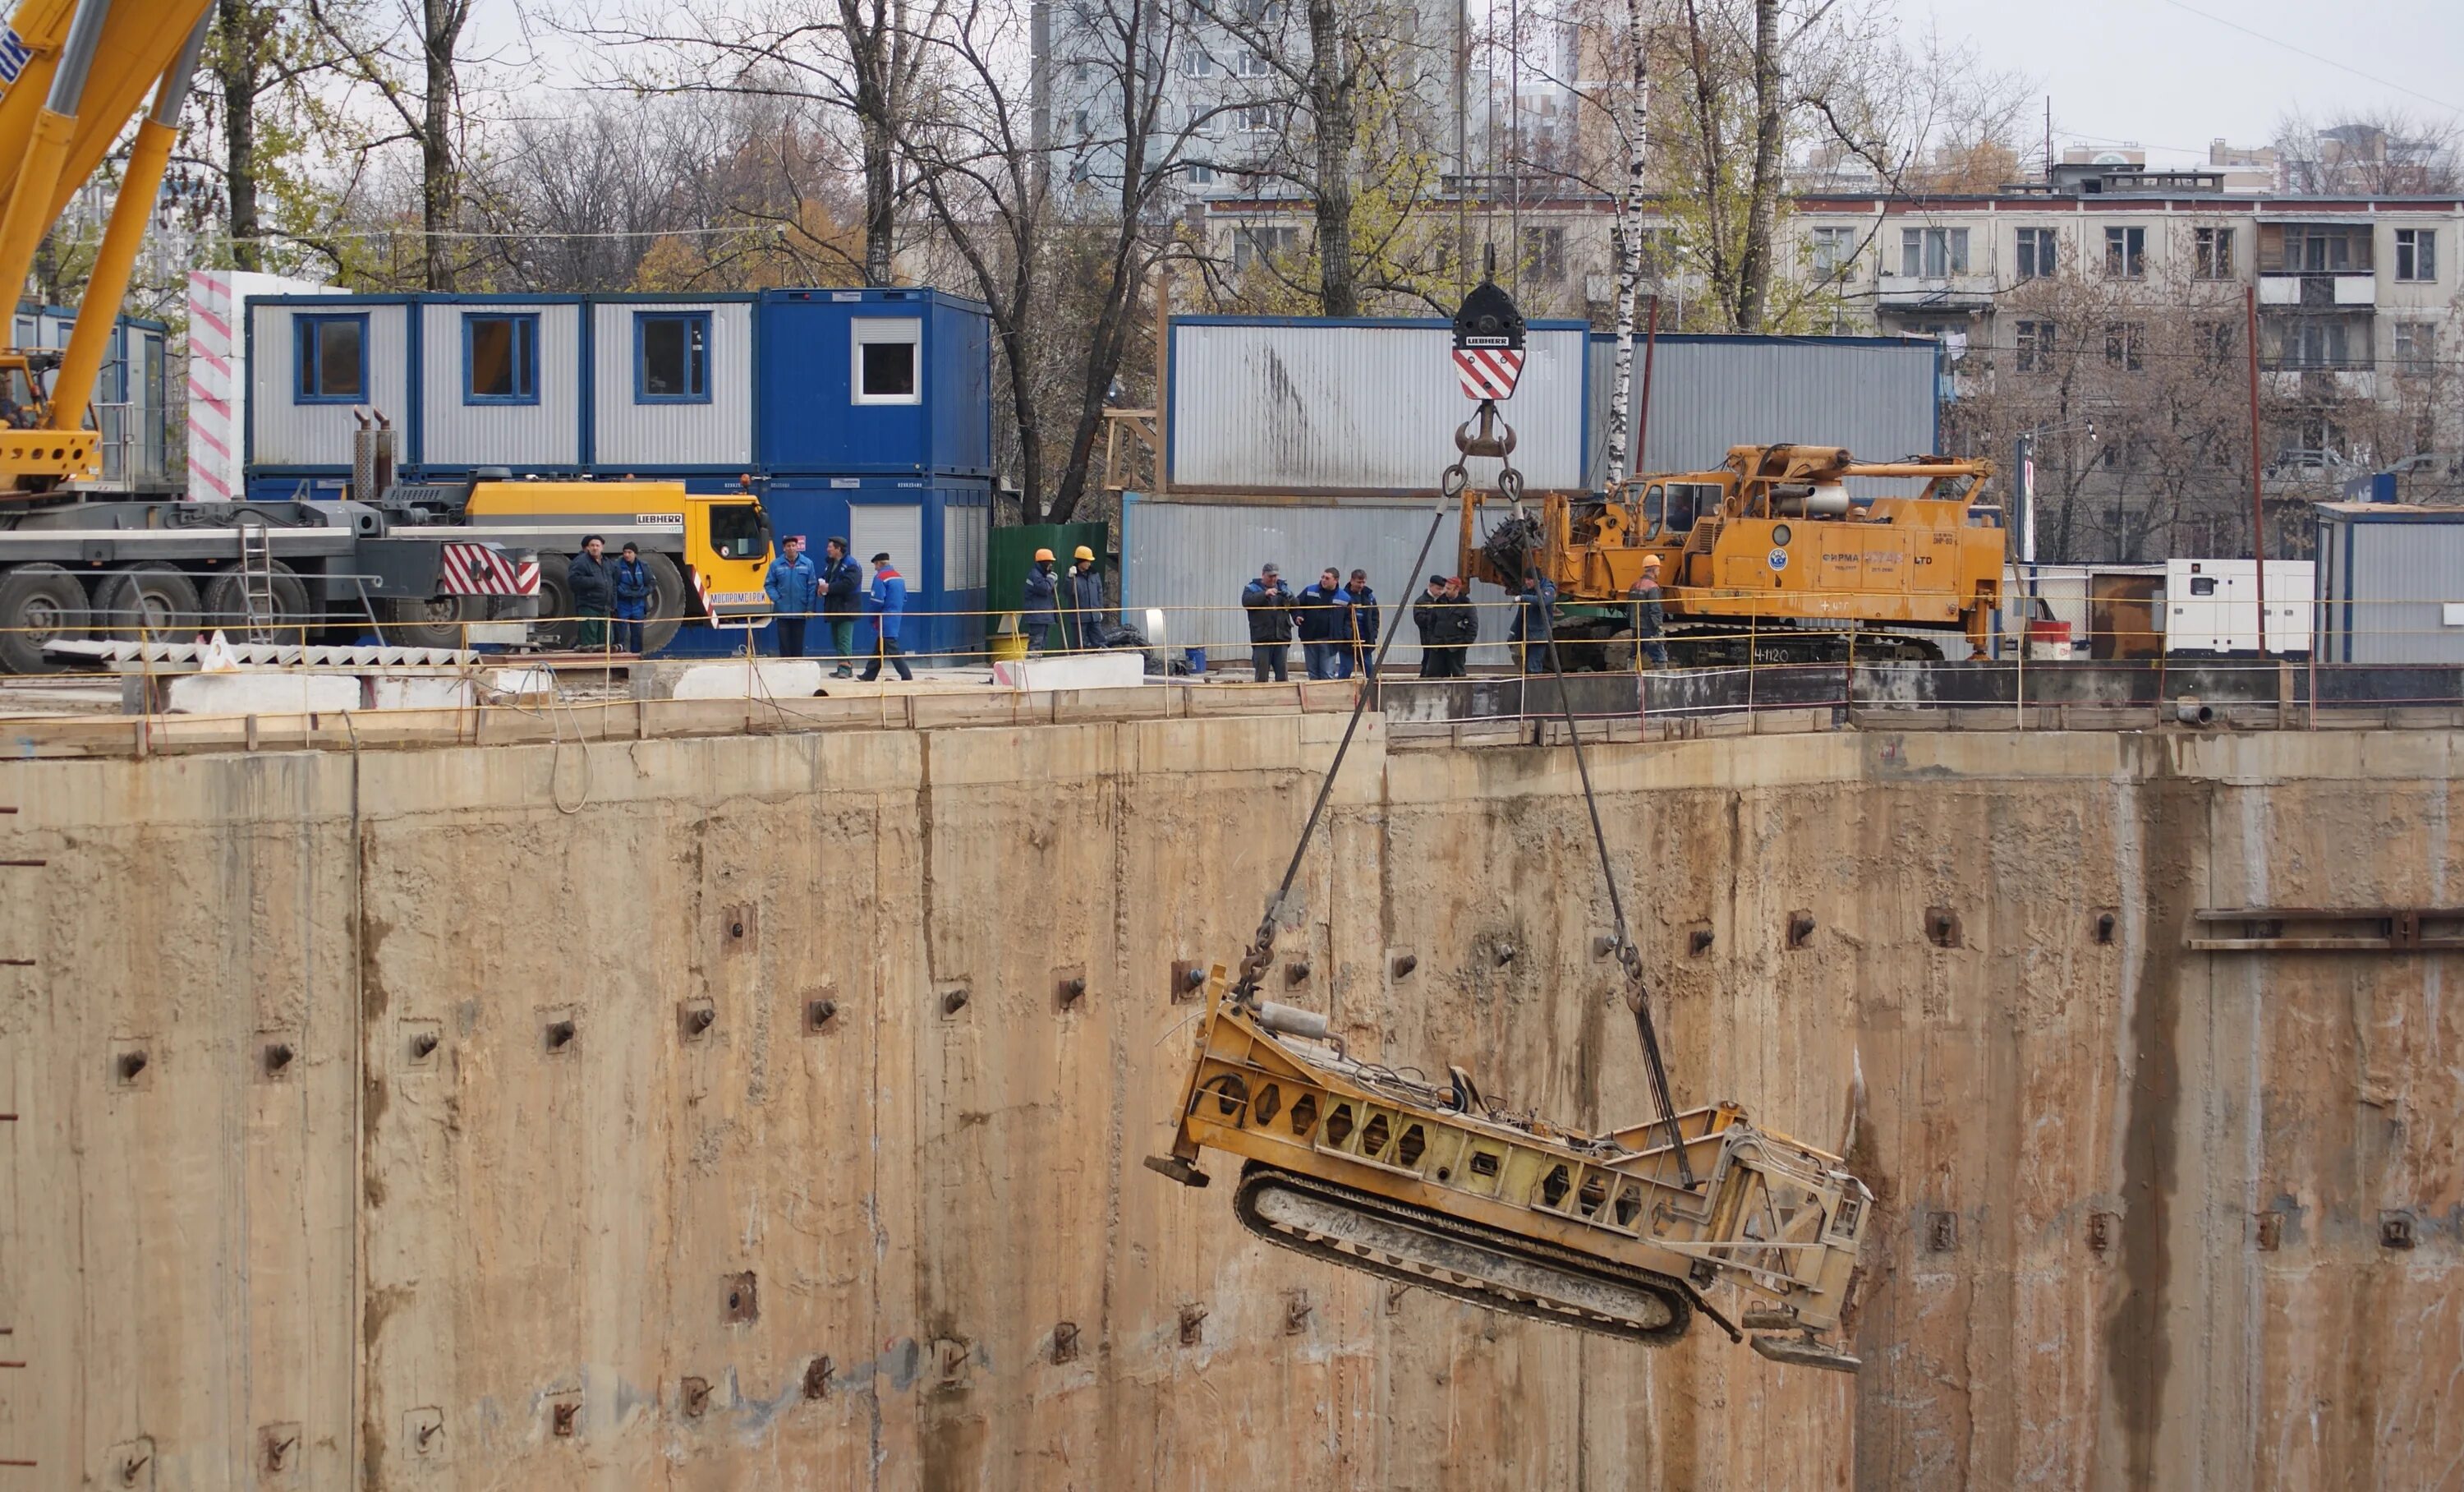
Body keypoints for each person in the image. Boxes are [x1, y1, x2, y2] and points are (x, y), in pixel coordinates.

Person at [861, 550, 914, 681]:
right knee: (880, 647)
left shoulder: (880, 578)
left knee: (892, 647)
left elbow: (877, 601)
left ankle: (906, 675)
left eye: (875, 565)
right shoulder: (899, 577)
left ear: (879, 564)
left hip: (884, 618)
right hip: (896, 616)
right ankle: (869, 675)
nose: (875, 568)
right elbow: (905, 598)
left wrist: (872, 617)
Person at [764, 534, 820, 658]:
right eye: (788, 546)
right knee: (784, 644)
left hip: (800, 611)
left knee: (798, 644)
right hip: (782, 612)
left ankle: (797, 668)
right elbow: (769, 584)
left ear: (797, 547)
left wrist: (810, 608)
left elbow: (812, 587)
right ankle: (785, 668)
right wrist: (778, 600)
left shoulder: (807, 563)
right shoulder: (776, 564)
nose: (791, 548)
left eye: (793, 545)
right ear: (784, 548)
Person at [1296, 567, 1352, 679]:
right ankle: (1314, 697)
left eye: (1327, 578)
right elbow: (1297, 605)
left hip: (1329, 641)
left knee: (1327, 673)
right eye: (1322, 577)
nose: (1323, 580)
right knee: (1312, 673)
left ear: (1336, 580)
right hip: (1310, 638)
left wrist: (1344, 637)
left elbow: (1349, 620)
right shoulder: (1310, 591)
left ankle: (1327, 696)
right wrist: (1298, 616)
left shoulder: (1344, 598)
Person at [1242, 562, 1294, 681]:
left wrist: (1291, 597)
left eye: (1275, 576)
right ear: (1263, 575)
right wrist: (1264, 594)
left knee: (1282, 675)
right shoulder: (1252, 589)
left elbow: (1295, 606)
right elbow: (1247, 602)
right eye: (1270, 576)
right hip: (1262, 638)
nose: (1273, 579)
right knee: (1262, 675)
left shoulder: (1283, 588)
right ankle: (1260, 698)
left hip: (1281, 638)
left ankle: (1283, 697)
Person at [819, 536, 862, 678]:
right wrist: (819, 589)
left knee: (844, 639)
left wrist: (829, 587)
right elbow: (825, 579)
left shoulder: (851, 564)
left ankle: (844, 669)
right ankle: (844, 667)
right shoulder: (831, 564)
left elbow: (849, 584)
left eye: (830, 547)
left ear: (838, 549)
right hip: (834, 608)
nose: (827, 549)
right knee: (837, 639)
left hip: (846, 608)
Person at [568, 534, 614, 650]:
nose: (595, 548)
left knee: (606, 642)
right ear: (588, 547)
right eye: (592, 545)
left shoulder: (607, 563)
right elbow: (573, 581)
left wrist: (613, 603)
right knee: (590, 644)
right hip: (589, 607)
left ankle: (605, 666)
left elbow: (612, 583)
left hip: (605, 608)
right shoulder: (581, 562)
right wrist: (594, 581)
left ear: (602, 547)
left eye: (597, 545)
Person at [1627, 553, 1670, 670]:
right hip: (1649, 628)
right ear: (1654, 569)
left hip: (1636, 626)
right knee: (1659, 656)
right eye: (1659, 569)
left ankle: (1630, 677)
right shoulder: (1653, 587)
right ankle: (1663, 681)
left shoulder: (1634, 585)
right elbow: (1655, 610)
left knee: (1634, 655)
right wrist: (1659, 629)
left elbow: (1629, 608)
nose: (1659, 571)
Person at [612, 541, 654, 655]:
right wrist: (623, 593)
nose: (626, 555)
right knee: (620, 634)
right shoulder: (616, 566)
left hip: (638, 605)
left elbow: (651, 583)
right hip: (623, 604)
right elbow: (613, 584)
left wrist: (644, 592)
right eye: (625, 552)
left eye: (629, 552)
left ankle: (637, 656)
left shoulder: (643, 566)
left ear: (635, 553)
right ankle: (619, 657)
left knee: (637, 634)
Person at [1512, 573, 1558, 673]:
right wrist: (1514, 631)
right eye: (1526, 580)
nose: (1527, 582)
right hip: (1528, 634)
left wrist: (1523, 598)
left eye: (1529, 580)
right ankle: (1528, 686)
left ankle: (1535, 686)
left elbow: (1543, 601)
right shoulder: (1527, 591)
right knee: (1526, 666)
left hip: (1539, 635)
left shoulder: (1548, 590)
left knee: (1533, 666)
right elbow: (1521, 614)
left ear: (1537, 580)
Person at [1062, 545, 1105, 651]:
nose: (1089, 563)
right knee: (1080, 644)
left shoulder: (1094, 574)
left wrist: (1100, 609)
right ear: (1081, 561)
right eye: (1088, 561)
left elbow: (1099, 592)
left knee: (1099, 642)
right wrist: (1070, 578)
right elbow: (1067, 592)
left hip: (1094, 616)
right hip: (1079, 617)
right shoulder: (1072, 576)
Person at [1412, 574, 1452, 679]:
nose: (1440, 592)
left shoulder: (1444, 601)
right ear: (1430, 586)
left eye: (1442, 589)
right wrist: (1436, 619)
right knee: (1428, 662)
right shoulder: (1422, 601)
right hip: (1428, 639)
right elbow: (1419, 620)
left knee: (1443, 666)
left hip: (1443, 640)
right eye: (1438, 589)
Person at [1022, 547, 1060, 654]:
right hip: (1037, 615)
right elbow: (1045, 588)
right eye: (1050, 562)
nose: (1051, 565)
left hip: (1043, 615)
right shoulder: (1035, 575)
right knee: (1036, 643)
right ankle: (1032, 664)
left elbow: (1050, 591)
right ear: (1043, 562)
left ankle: (1038, 662)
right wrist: (1052, 579)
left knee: (1042, 643)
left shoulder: (1043, 575)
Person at [1440, 577, 1480, 675]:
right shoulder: (1440, 602)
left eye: (1449, 589)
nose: (1446, 591)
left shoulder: (1466, 606)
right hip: (1440, 645)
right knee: (1438, 675)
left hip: (1457, 645)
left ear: (1457, 589)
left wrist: (1465, 642)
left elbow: (1473, 625)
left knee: (1458, 672)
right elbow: (1432, 621)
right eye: (1446, 588)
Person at [1345, 568, 1380, 679]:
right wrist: (1345, 635)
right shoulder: (1343, 596)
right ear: (1352, 581)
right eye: (1359, 582)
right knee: (1345, 671)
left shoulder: (1369, 597)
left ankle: (1373, 694)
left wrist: (1373, 633)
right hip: (1348, 640)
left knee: (1370, 672)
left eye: (1363, 582)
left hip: (1365, 639)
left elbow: (1375, 616)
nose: (1361, 585)